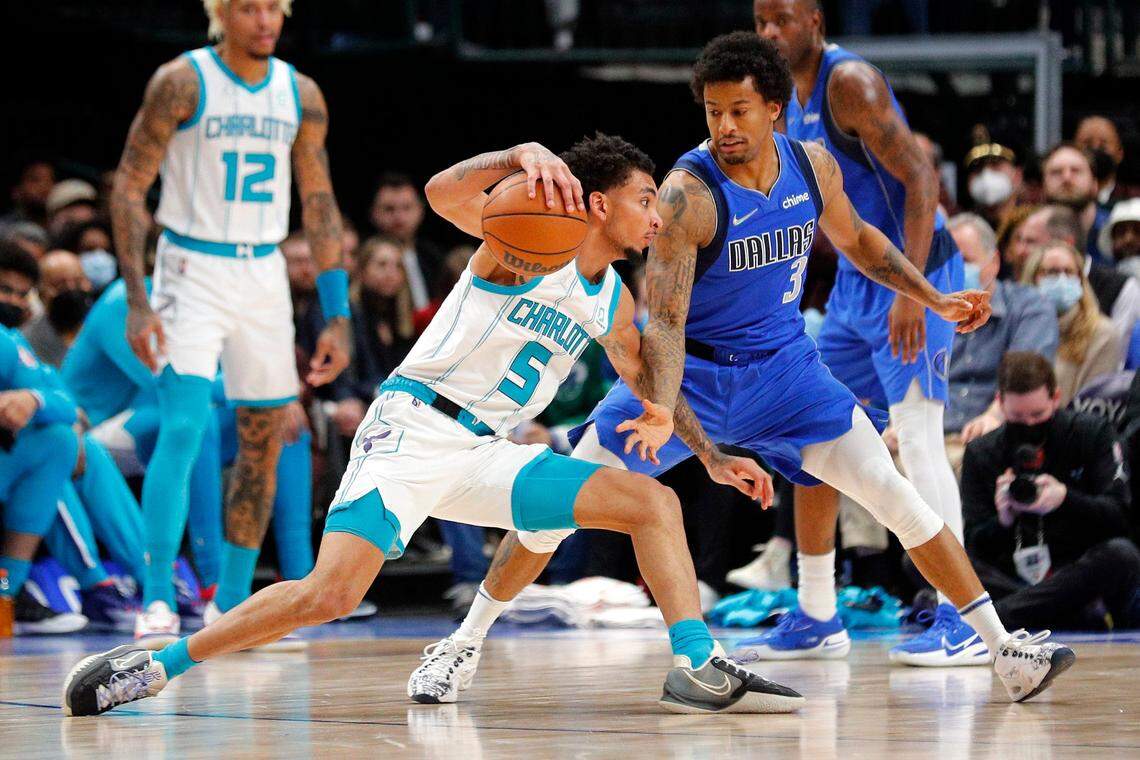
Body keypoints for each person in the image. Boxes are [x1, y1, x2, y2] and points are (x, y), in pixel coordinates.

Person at [416, 31, 1070, 704]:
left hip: (785, 371)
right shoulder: (684, 195)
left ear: (777, 109)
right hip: (688, 375)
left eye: (739, 111)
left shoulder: (814, 167)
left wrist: (930, 296)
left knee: (892, 491)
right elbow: (664, 321)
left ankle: (1004, 650)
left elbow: (860, 241)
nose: (723, 126)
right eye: (712, 111)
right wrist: (664, 409)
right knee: (552, 514)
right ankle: (461, 645)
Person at [62, 135, 805, 717]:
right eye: (648, 199)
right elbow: (440, 192)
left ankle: (695, 664)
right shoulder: (524, 246)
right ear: (602, 203)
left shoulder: (609, 296)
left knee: (652, 501)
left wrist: (710, 455)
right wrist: (518, 155)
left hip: (484, 452)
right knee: (330, 596)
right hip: (412, 429)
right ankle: (159, 665)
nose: (658, 216)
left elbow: (651, 381)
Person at [107, 0, 350, 644]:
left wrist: (337, 313)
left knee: (263, 437)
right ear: (220, 12)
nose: (265, 19)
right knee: (184, 426)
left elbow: (319, 200)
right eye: (249, 7)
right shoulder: (182, 80)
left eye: (274, 7)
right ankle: (157, 597)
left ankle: (235, 605)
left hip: (264, 271)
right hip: (190, 265)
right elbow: (130, 185)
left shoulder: (301, 92)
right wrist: (137, 296)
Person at [757, 0, 982, 667]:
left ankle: (962, 617)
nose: (770, 33)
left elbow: (921, 177)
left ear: (816, 21)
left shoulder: (849, 84)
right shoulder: (780, 98)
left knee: (916, 436)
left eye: (783, 19)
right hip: (856, 285)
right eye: (761, 20)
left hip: (918, 273)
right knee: (811, 432)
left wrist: (913, 290)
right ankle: (819, 614)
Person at [962, 352, 1140, 630]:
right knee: (927, 562)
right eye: (1018, 417)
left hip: (1078, 568)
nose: (1030, 425)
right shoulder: (982, 452)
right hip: (1013, 571)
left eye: (1038, 415)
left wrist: (1066, 499)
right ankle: (1064, 613)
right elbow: (974, 542)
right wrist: (1003, 520)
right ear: (1000, 403)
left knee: (1122, 555)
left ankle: (995, 617)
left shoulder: (1091, 433)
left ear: (1056, 398)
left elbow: (1120, 516)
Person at [0, 240, 86, 634]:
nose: (13, 301)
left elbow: (65, 403)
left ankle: (6, 593)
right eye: (5, 290)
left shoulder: (12, 341)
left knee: (61, 441)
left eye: (21, 294)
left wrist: (30, 398)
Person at [947, 214, 1059, 450]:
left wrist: (993, 417)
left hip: (997, 433)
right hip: (928, 431)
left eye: (964, 260)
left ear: (994, 262)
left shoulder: (1030, 306)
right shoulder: (927, 312)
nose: (954, 270)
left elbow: (1025, 377)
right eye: (946, 262)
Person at [1021, 241, 1122, 404]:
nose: (1062, 279)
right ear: (1033, 278)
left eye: (1069, 272)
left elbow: (1092, 408)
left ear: (1081, 280)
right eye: (1052, 272)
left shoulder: (1102, 334)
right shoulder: (1018, 328)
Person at [369, 172, 444, 309]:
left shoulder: (432, 257)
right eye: (389, 209)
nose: (399, 217)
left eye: (407, 208)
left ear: (420, 210)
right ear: (374, 213)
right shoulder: (363, 257)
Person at [21, 250, 93, 367]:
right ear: (41, 294)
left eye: (78, 281)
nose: (71, 289)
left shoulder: (105, 326)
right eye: (60, 284)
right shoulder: (26, 341)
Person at [1042, 143, 1111, 264]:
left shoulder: (1115, 229)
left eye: (1076, 171)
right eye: (1056, 172)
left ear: (1095, 184)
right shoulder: (1029, 232)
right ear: (1043, 185)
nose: (1067, 178)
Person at [1073, 115, 1138, 210]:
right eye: (1087, 143)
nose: (1095, 148)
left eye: (1103, 145)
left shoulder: (1135, 199)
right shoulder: (1061, 199)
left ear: (1119, 152)